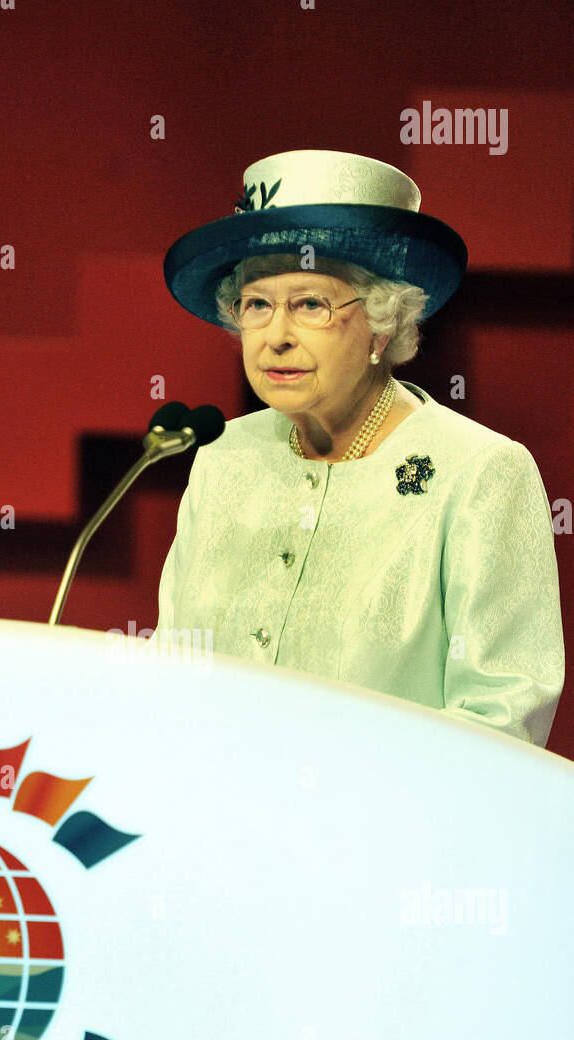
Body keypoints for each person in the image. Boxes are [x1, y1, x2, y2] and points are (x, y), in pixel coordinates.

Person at [152, 149, 564, 746]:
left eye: (310, 304)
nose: (276, 338)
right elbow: (172, 666)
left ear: (383, 322)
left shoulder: (479, 472)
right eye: (257, 305)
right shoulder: (223, 454)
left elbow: (502, 720)